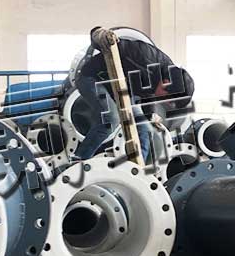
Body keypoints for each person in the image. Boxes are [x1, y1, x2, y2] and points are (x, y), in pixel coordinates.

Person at [72, 27, 194, 161]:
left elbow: (148, 99)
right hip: (91, 78)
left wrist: (150, 117)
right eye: (167, 99)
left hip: (121, 92)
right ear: (166, 83)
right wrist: (99, 35)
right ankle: (78, 160)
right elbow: (109, 44)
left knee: (145, 129)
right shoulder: (145, 57)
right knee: (111, 119)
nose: (163, 102)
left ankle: (137, 168)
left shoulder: (165, 77)